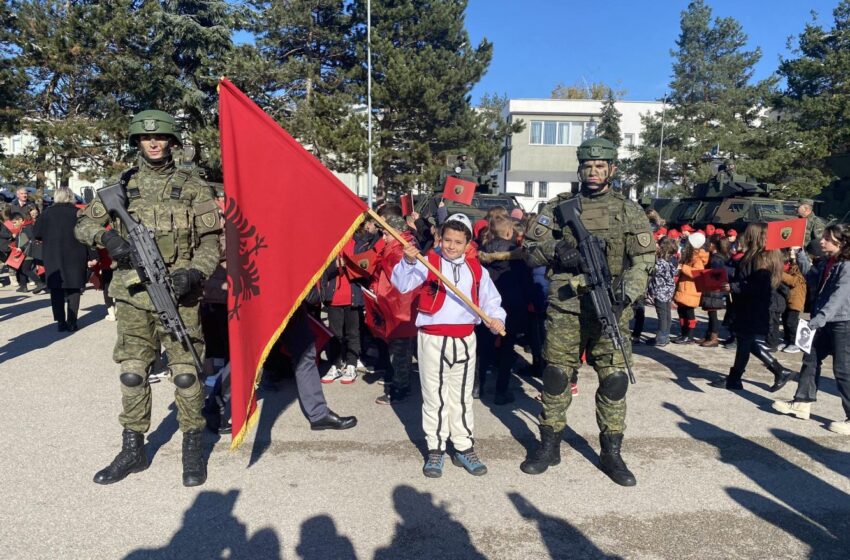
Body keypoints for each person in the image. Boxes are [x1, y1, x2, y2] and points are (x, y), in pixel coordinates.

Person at [75, 110, 222, 487]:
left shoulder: (193, 186)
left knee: (187, 373)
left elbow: (210, 242)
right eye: (145, 138)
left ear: (172, 142)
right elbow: (84, 224)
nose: (153, 144)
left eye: (160, 139)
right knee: (132, 372)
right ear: (136, 142)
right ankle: (133, 449)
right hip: (132, 293)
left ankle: (192, 447)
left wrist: (194, 274)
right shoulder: (119, 186)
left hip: (179, 295)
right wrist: (108, 238)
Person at [519, 137, 655, 486]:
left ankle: (611, 452)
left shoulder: (629, 210)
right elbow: (530, 250)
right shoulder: (558, 207)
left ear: (612, 169)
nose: (593, 172)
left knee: (614, 381)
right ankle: (549, 445)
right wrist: (557, 250)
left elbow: (644, 260)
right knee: (557, 376)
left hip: (612, 306)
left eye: (600, 166)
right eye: (587, 166)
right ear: (580, 169)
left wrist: (628, 291)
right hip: (566, 307)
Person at [392, 213, 506, 478]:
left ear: (468, 243)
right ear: (439, 238)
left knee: (462, 397)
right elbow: (402, 284)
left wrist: (497, 319)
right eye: (447, 240)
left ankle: (464, 445)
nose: (452, 246)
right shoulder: (427, 261)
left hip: (466, 339)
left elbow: (491, 301)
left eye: (458, 241)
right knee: (435, 396)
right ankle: (436, 448)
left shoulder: (477, 270)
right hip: (433, 338)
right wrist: (408, 260)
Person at [772, 225, 850, 434]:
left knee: (843, 369)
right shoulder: (827, 262)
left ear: (841, 242)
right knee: (811, 358)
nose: (822, 242)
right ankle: (802, 402)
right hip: (825, 320)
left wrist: (820, 318)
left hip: (843, 322)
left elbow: (840, 296)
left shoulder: (847, 266)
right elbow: (809, 277)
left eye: (827, 239)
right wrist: (798, 254)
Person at [709, 223, 794, 392]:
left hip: (753, 306)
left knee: (745, 341)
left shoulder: (761, 257)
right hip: (749, 304)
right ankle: (776, 371)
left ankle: (738, 378)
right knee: (745, 341)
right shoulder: (760, 255)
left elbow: (758, 285)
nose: (744, 236)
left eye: (747, 234)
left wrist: (733, 287)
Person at [33, 187, 93, 332]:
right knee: (74, 288)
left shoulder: (47, 213)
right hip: (76, 254)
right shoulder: (78, 213)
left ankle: (60, 321)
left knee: (56, 289)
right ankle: (72, 322)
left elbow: (37, 233)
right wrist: (92, 256)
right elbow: (88, 234)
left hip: (53, 255)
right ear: (70, 197)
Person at [672, 232, 708, 344]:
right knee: (681, 311)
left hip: (691, 290)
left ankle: (689, 336)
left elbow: (697, 273)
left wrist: (683, 267)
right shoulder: (691, 255)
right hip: (685, 288)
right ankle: (683, 334)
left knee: (689, 313)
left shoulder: (698, 258)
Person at [698, 235, 731, 347]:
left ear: (714, 245)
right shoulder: (723, 256)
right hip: (717, 289)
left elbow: (715, 274)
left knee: (712, 313)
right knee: (711, 312)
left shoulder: (716, 259)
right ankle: (709, 335)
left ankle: (714, 337)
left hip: (714, 289)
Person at [647, 237, 678, 347]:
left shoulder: (660, 263)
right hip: (668, 291)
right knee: (667, 314)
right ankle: (665, 336)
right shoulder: (670, 261)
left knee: (662, 315)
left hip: (660, 292)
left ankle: (661, 338)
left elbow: (651, 271)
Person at [780, 249, 806, 353]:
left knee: (792, 322)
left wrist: (780, 274)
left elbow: (793, 281)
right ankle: (787, 339)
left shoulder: (798, 268)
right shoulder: (789, 267)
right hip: (788, 299)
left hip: (796, 300)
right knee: (785, 320)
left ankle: (795, 343)